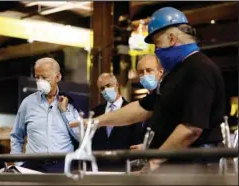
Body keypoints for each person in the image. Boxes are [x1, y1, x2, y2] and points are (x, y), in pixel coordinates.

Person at [71, 7, 225, 173]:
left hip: (196, 168)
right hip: (175, 165)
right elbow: (142, 108)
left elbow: (191, 129)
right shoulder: (174, 74)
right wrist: (97, 122)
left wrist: (154, 162)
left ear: (172, 38)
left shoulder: (199, 69)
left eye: (158, 44)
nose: (157, 51)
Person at [10, 57, 80, 173]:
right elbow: (16, 136)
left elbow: (80, 136)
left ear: (58, 77)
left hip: (62, 167)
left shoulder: (71, 104)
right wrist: (19, 164)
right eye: (37, 77)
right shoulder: (28, 103)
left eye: (45, 78)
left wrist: (65, 112)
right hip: (32, 167)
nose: (40, 82)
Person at [91, 73, 144, 171]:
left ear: (117, 85)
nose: (106, 90)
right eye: (102, 88)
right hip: (99, 168)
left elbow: (137, 140)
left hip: (124, 167)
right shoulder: (95, 112)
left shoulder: (131, 110)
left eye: (108, 85)